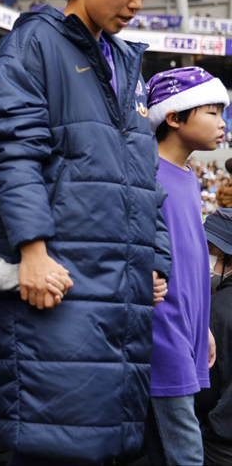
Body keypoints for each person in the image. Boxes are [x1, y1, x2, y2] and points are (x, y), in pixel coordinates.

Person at [0, 0, 175, 462]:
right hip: (56, 280)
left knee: (106, 436)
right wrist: (31, 250)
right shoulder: (33, 46)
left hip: (118, 287)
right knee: (50, 433)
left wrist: (155, 258)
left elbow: (141, 177)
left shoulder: (123, 63)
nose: (137, 3)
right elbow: (12, 155)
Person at [141, 68, 225, 464]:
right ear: (173, 117)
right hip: (162, 332)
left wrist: (202, 326)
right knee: (186, 450)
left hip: (187, 331)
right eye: (212, 112)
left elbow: (189, 264)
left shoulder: (188, 177)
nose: (222, 123)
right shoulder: (146, 175)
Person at [197, 209, 232, 464]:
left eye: (210, 250)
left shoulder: (213, 312)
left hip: (217, 444)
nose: (204, 257)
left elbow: (202, 394)